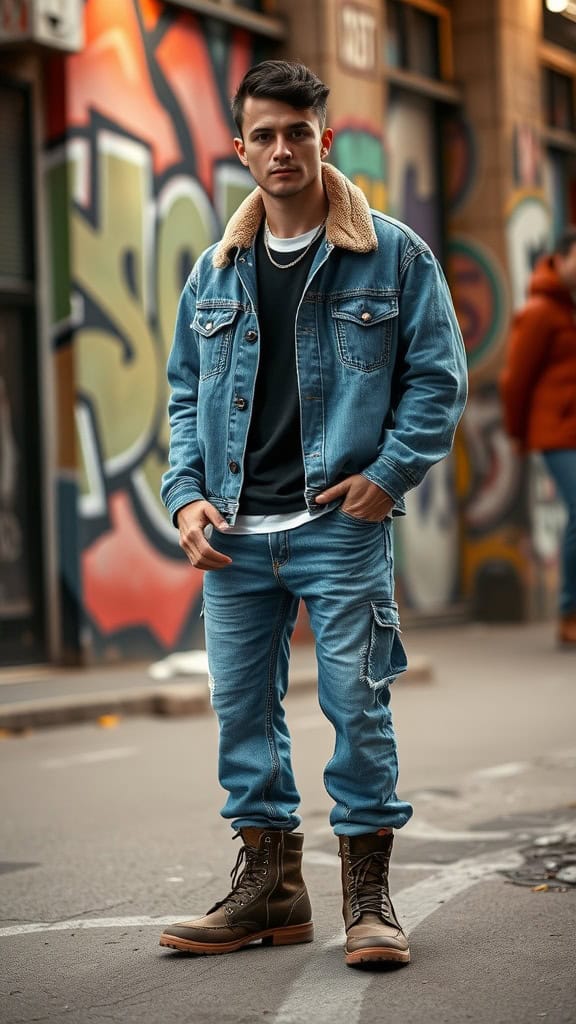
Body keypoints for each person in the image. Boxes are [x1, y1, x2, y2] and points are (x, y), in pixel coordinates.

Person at [159, 60, 467, 967]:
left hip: (338, 526)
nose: (282, 148)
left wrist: (390, 475)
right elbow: (184, 397)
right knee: (240, 716)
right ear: (242, 148)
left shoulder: (395, 254)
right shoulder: (215, 275)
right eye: (264, 134)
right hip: (235, 538)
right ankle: (270, 888)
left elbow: (438, 381)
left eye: (298, 131)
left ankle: (368, 897)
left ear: (323, 140)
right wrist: (184, 499)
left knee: (356, 707)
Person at [500, 230, 576, 648]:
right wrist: (516, 433)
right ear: (561, 259)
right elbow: (515, 379)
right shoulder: (541, 311)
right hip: (557, 432)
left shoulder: (568, 309)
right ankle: (568, 611)